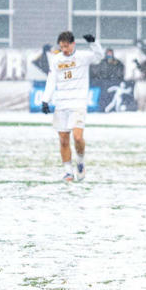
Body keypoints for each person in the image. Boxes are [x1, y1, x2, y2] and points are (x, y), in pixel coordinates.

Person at [41, 31, 104, 182]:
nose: (64, 50)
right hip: (61, 103)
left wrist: (93, 43)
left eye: (66, 46)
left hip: (78, 103)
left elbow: (99, 57)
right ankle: (68, 172)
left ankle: (80, 162)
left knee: (77, 137)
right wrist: (45, 100)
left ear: (73, 44)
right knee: (63, 140)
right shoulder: (56, 60)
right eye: (62, 47)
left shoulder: (82, 57)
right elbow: (51, 80)